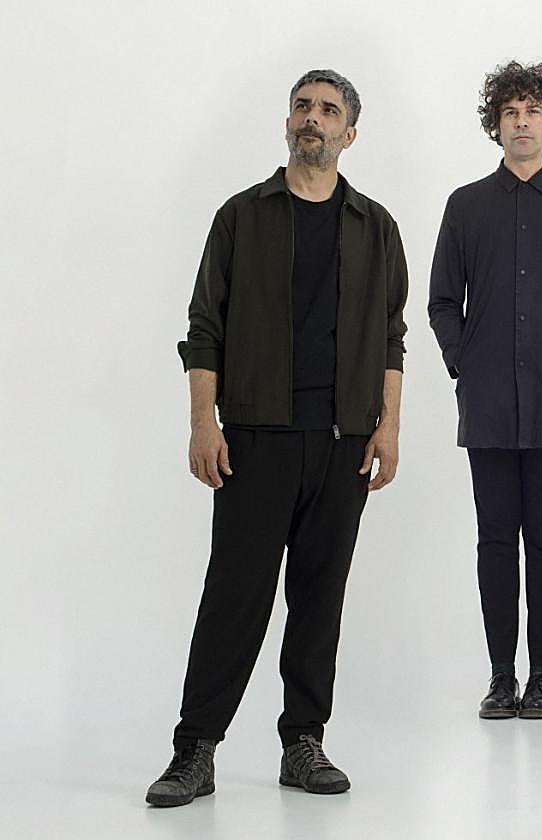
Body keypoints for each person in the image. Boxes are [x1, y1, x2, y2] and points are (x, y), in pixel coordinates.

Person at [147, 69, 408, 807]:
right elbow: (204, 327)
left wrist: (389, 425)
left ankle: (303, 743)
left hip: (343, 441)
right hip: (255, 437)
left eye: (328, 110)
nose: (312, 118)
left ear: (349, 133)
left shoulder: (376, 226)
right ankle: (195, 750)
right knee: (235, 597)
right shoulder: (241, 217)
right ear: (288, 123)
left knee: (320, 599)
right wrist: (203, 422)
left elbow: (391, 335)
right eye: (302, 107)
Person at [428, 61, 542, 720]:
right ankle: (501, 676)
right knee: (494, 541)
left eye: (533, 110)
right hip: (487, 403)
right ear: (496, 125)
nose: (522, 122)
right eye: (510, 112)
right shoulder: (466, 206)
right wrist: (465, 362)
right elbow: (442, 302)